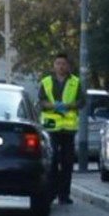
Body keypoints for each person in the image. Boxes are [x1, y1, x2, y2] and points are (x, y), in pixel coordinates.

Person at [38, 53, 84, 205]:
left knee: (67, 163)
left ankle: (64, 195)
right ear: (54, 65)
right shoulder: (46, 82)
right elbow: (41, 101)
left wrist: (68, 106)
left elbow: (81, 101)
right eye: (58, 63)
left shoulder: (75, 82)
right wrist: (53, 106)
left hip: (68, 130)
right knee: (51, 162)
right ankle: (51, 193)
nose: (60, 66)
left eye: (63, 64)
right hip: (51, 129)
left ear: (68, 65)